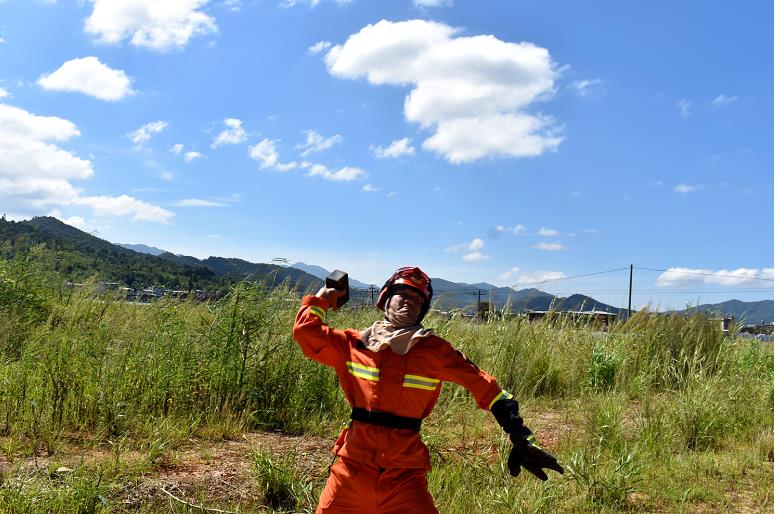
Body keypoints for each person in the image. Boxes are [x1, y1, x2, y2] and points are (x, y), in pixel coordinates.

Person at [293, 266, 563, 513]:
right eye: (402, 294)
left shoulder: (435, 351)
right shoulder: (353, 344)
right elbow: (307, 332)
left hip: (404, 480)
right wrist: (324, 297)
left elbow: (490, 390)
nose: (410, 300)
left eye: (418, 299)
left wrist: (522, 437)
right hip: (349, 472)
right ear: (386, 299)